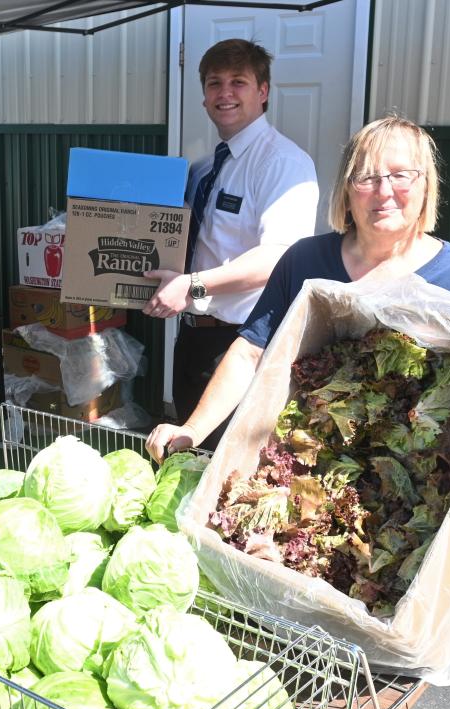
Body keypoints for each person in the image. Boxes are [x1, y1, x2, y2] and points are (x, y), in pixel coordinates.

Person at [146, 114, 450, 463]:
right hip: (306, 466)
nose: (384, 190)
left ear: (425, 185)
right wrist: (192, 429)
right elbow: (250, 353)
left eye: (400, 175)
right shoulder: (305, 261)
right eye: (367, 177)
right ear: (347, 190)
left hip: (412, 480)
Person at [142, 39, 319, 449]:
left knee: (228, 472)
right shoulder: (204, 168)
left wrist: (193, 285)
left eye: (238, 82)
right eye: (213, 83)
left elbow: (279, 257)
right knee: (189, 460)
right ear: (203, 97)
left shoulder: (283, 164)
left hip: (242, 346)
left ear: (263, 91)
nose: (224, 93)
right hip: (192, 339)